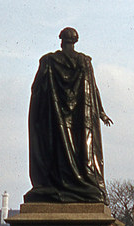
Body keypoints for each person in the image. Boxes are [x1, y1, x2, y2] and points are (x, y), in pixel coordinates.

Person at [25, 27, 112, 204]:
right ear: (76, 41)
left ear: (61, 40)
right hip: (81, 120)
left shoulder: (48, 61)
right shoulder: (84, 62)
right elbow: (93, 90)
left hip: (56, 120)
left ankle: (60, 186)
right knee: (82, 151)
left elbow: (36, 89)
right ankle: (81, 184)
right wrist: (101, 112)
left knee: (57, 152)